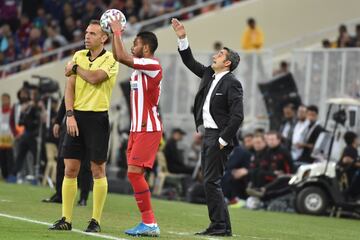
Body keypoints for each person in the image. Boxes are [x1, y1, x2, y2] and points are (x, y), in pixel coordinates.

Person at [171, 18, 243, 237]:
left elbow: (237, 116)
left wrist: (223, 140)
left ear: (228, 63)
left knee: (211, 181)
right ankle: (220, 226)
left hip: (218, 138)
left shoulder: (232, 83)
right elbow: (190, 61)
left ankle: (220, 226)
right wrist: (182, 37)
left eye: (220, 54)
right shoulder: (209, 74)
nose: (215, 56)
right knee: (210, 182)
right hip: (208, 136)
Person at [49, 20, 119, 232]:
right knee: (70, 168)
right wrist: (69, 115)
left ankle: (95, 221)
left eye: (92, 34)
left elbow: (96, 78)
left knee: (97, 169)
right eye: (86, 33)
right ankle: (66, 219)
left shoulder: (111, 59)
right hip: (76, 117)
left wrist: (75, 69)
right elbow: (69, 88)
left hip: (97, 118)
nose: (87, 36)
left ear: (103, 38)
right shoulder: (78, 55)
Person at [109, 18, 162, 237]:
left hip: (148, 128)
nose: (133, 46)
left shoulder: (153, 65)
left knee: (134, 173)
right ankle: (148, 222)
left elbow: (121, 56)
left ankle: (149, 223)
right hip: (136, 129)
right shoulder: (137, 71)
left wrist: (117, 32)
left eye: (137, 43)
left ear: (146, 48)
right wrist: (115, 36)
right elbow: (117, 55)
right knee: (133, 174)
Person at [0, 93, 14, 179]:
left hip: (9, 137)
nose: (4, 101)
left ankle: (9, 175)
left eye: (6, 99)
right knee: (2, 158)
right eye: (3, 99)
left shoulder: (12, 111)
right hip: (1, 138)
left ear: (9, 100)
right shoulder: (0, 111)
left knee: (9, 157)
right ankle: (4, 173)